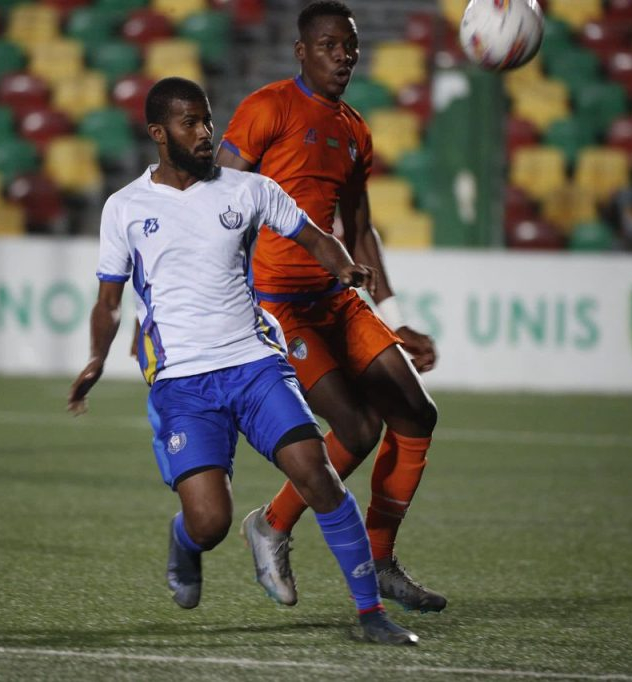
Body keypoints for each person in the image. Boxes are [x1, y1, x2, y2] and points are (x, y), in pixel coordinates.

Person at [68, 77, 418, 645]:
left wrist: (344, 266)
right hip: (182, 382)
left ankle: (370, 613)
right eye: (190, 124)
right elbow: (108, 302)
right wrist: (94, 360)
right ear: (159, 133)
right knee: (210, 523)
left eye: (207, 120)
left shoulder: (247, 190)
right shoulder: (125, 208)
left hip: (254, 363)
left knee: (317, 472)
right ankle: (184, 543)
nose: (205, 133)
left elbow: (313, 236)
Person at [215, 0, 445, 612]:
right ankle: (271, 524)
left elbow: (361, 229)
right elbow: (216, 205)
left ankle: (381, 559)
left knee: (417, 414)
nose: (343, 56)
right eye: (329, 46)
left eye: (351, 47)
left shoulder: (354, 129)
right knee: (357, 427)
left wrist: (394, 318)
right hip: (280, 306)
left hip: (337, 299)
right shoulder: (266, 108)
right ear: (301, 51)